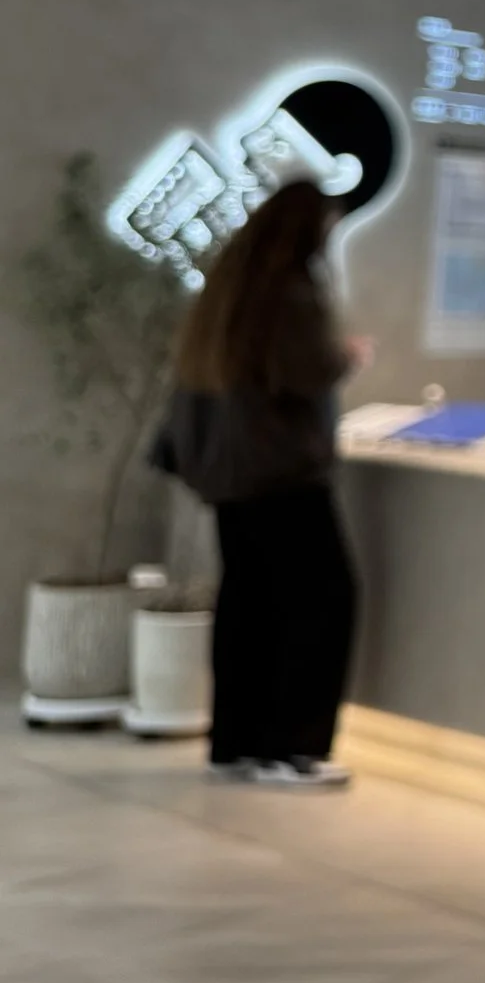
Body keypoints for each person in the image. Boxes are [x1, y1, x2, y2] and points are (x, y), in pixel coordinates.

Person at [160, 181, 364, 790]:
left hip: (235, 477)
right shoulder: (291, 293)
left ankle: (236, 743)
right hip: (284, 474)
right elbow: (308, 370)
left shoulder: (230, 290)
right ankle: (292, 749)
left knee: (249, 604)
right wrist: (347, 355)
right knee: (322, 601)